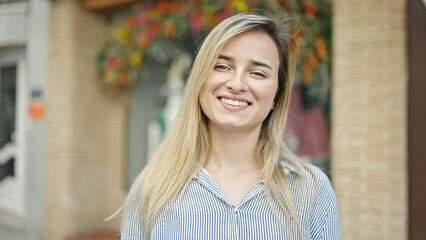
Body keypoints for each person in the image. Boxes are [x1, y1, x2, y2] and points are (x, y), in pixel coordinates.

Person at [121, 13, 341, 240]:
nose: (236, 84)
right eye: (222, 66)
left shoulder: (311, 190)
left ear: (277, 95)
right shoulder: (152, 189)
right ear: (200, 79)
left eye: (258, 73)